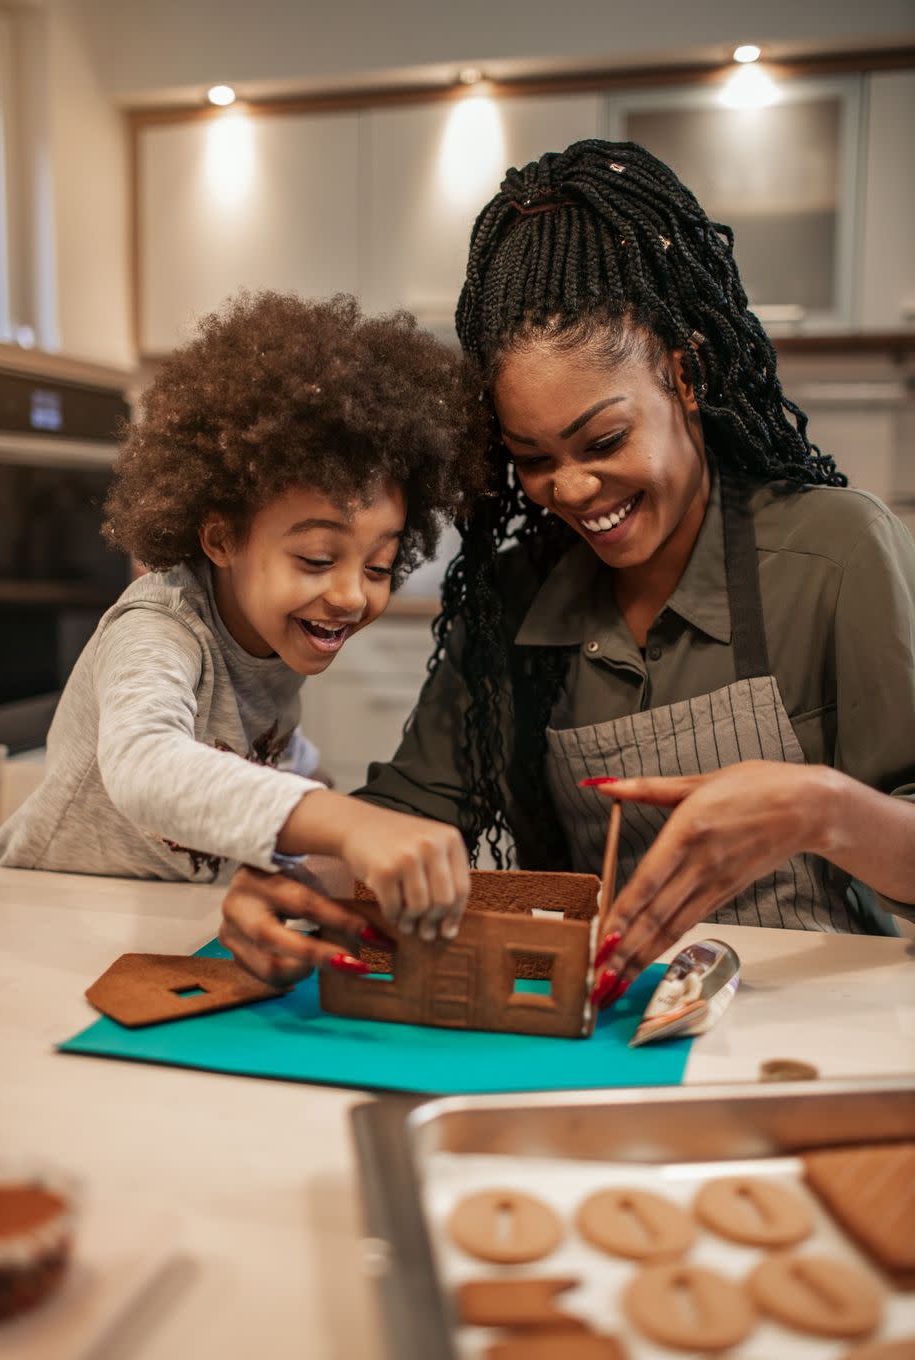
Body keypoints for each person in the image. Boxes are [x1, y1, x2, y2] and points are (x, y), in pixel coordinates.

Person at [217, 140, 915, 1004]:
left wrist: (823, 810)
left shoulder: (835, 553)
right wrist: (295, 883)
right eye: (533, 459)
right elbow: (401, 821)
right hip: (604, 1027)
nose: (574, 490)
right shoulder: (512, 602)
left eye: (605, 441)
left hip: (823, 1022)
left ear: (685, 373)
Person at [0, 292, 478, 955]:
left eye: (381, 567)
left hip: (155, 931)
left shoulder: (272, 638)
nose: (351, 595)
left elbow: (268, 754)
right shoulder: (159, 625)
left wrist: (319, 805)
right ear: (221, 538)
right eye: (317, 558)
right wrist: (345, 822)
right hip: (32, 930)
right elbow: (146, 764)